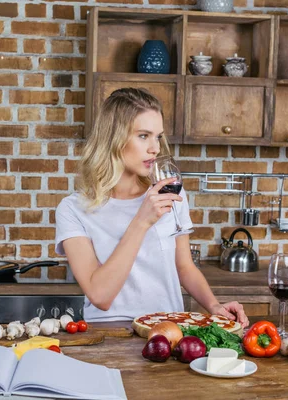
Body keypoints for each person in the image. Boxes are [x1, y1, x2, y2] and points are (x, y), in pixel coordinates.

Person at [55, 87, 249, 327]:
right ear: (113, 138)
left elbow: (184, 266)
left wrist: (214, 306)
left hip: (168, 328)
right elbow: (100, 296)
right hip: (110, 331)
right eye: (143, 135)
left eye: (158, 136)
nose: (155, 148)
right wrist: (142, 221)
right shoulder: (73, 209)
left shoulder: (168, 192)